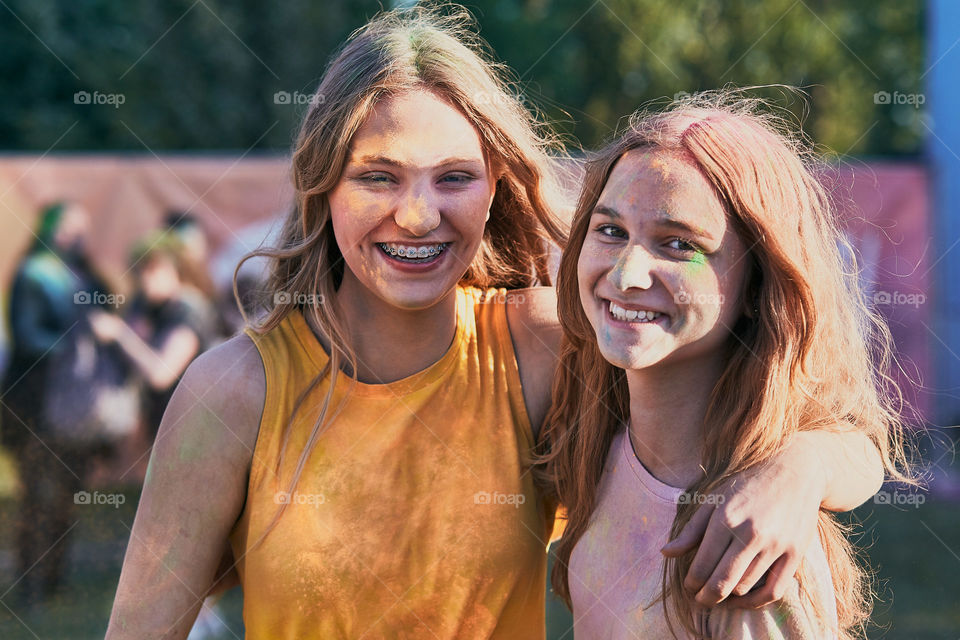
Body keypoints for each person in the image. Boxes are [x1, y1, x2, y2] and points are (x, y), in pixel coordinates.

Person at [106, 7, 883, 639]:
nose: (417, 214)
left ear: (494, 188)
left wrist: (802, 468)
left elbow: (804, 427)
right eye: (377, 176)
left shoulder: (545, 345)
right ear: (322, 188)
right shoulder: (233, 393)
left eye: (453, 178)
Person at [536, 95, 914, 638]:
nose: (626, 274)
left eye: (679, 243)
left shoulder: (749, 548)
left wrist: (807, 466)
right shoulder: (598, 441)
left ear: (758, 285)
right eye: (611, 231)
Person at [1, 201, 113, 605]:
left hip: (76, 406)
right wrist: (78, 346)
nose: (75, 235)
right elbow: (28, 336)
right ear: (48, 228)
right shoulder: (34, 274)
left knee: (69, 493)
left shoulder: (84, 276)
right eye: (67, 227)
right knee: (39, 494)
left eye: (81, 227)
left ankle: (53, 578)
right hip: (36, 406)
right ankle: (30, 582)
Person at [89, 233, 207, 439]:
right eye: (140, 270)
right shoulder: (145, 303)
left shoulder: (188, 310)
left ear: (175, 269)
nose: (146, 277)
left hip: (188, 428)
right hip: (153, 424)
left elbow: (161, 374)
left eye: (154, 269)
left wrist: (120, 334)